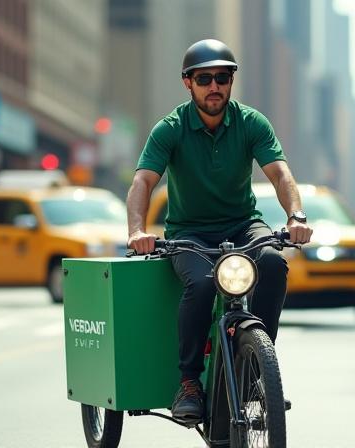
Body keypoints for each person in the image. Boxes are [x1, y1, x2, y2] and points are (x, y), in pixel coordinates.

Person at [125, 39, 313, 425]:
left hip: (243, 224)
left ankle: (256, 361)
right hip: (188, 233)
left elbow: (279, 173)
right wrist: (137, 231)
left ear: (231, 81)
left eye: (222, 78)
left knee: (274, 265)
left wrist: (295, 216)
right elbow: (143, 182)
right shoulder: (171, 129)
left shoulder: (251, 123)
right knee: (205, 283)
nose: (214, 86)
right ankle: (189, 382)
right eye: (204, 78)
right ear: (188, 83)